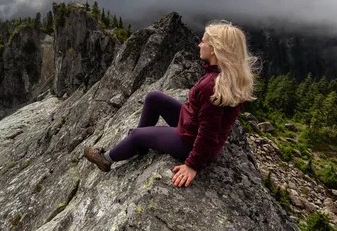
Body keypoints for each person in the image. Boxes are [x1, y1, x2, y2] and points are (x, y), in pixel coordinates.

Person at [83, 20, 257, 187]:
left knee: (136, 135)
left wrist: (192, 165)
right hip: (191, 126)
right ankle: (141, 146)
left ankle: (106, 159)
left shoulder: (210, 85)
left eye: (203, 42)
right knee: (153, 98)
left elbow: (209, 132)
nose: (199, 45)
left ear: (214, 49)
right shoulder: (226, 76)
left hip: (190, 142)